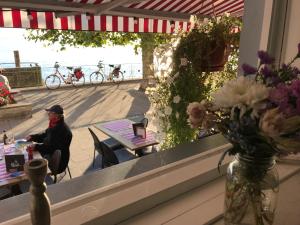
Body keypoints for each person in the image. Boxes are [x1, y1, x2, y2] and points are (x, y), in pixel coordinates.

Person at [27, 105, 72, 174]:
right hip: (51, 152)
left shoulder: (61, 130)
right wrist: (33, 137)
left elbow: (52, 148)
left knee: (32, 162)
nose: (48, 114)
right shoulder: (54, 124)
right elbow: (45, 135)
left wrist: (36, 147)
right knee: (31, 155)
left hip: (58, 162)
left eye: (50, 113)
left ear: (56, 116)